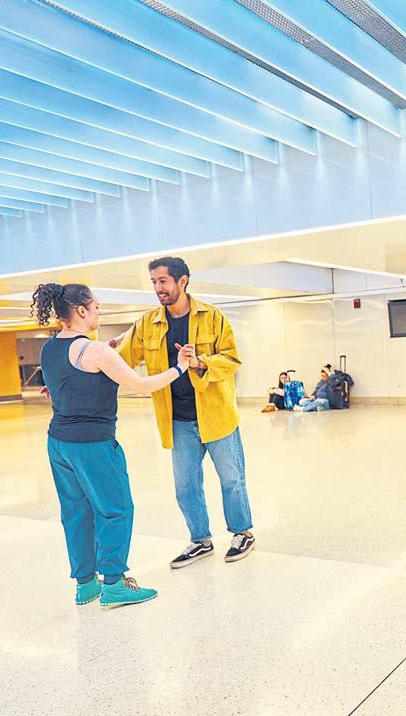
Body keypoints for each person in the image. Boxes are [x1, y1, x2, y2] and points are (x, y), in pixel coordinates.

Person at [31, 282, 189, 608]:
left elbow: (70, 377)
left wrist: (108, 347)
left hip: (59, 443)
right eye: (97, 307)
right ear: (81, 311)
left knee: (76, 513)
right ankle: (114, 584)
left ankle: (86, 585)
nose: (99, 312)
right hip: (93, 444)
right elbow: (143, 385)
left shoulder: (50, 349)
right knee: (117, 509)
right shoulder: (96, 352)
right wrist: (179, 368)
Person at [113, 256, 256, 568]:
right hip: (177, 420)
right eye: (153, 282)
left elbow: (232, 360)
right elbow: (119, 359)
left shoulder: (212, 317)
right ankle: (200, 539)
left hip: (217, 416)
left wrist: (201, 362)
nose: (158, 288)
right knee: (186, 486)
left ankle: (242, 532)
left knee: (232, 480)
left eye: (163, 281)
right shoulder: (147, 323)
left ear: (183, 281)